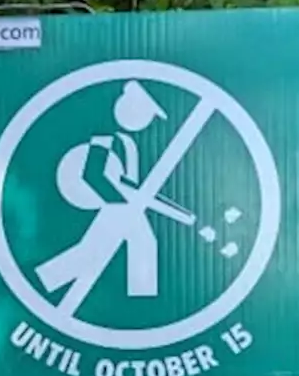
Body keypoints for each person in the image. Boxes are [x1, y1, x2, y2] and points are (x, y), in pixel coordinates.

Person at [35, 81, 193, 305]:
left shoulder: (129, 143)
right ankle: (47, 278)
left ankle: (142, 302)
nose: (146, 120)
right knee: (123, 246)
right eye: (144, 113)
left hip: (125, 207)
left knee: (133, 245)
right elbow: (92, 175)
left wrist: (138, 199)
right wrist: (125, 198)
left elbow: (133, 185)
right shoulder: (105, 137)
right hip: (115, 206)